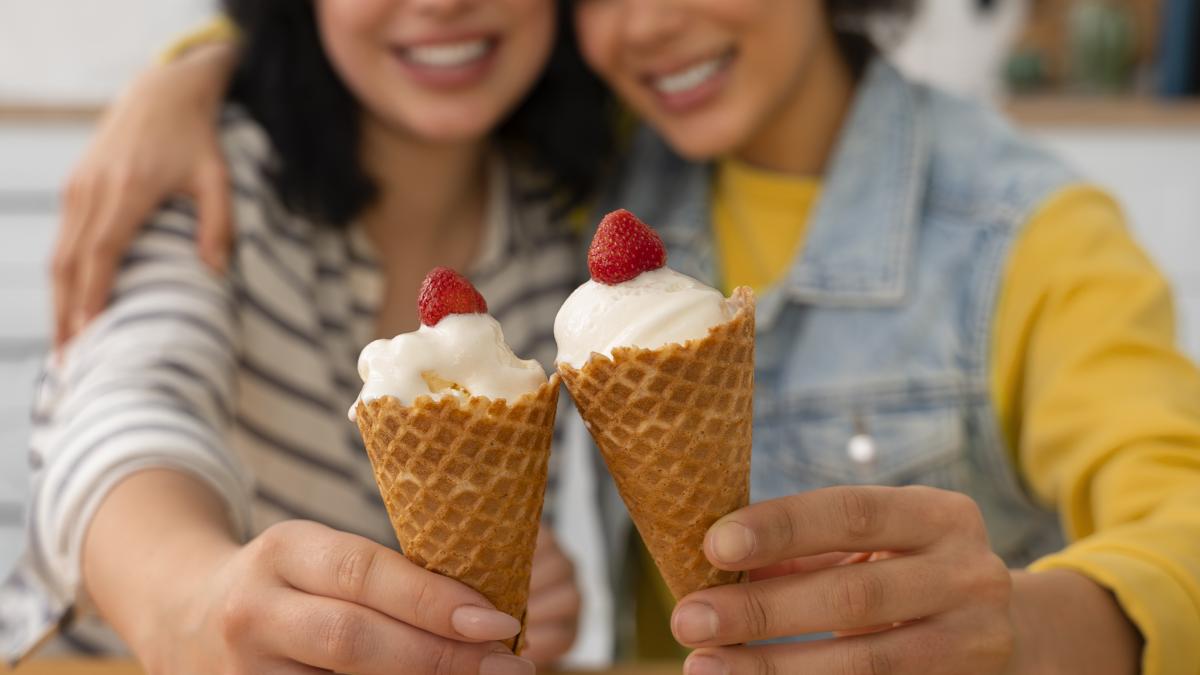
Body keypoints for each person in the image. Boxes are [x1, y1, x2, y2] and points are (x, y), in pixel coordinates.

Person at [31, 0, 1200, 674]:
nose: (650, 23)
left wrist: (1040, 628)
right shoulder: (595, 181)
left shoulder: (1028, 233)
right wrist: (200, 68)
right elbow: (126, 409)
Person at [1, 0, 614, 673]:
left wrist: (517, 607)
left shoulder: (558, 234)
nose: (443, 3)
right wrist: (191, 601)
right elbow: (118, 420)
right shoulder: (203, 173)